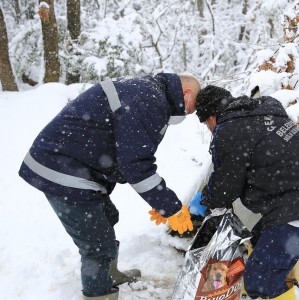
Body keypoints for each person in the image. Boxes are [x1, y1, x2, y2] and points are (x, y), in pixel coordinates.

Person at [19, 73, 200, 300]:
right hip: (62, 167)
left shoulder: (147, 90)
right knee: (97, 246)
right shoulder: (149, 99)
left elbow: (124, 152)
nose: (191, 112)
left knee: (107, 216)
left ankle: (108, 274)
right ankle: (99, 294)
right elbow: (135, 164)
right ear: (186, 93)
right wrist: (169, 206)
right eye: (193, 107)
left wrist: (160, 201)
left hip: (73, 162)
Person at [189, 85, 299, 300]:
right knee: (259, 240)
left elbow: (226, 189)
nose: (208, 128)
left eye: (205, 123)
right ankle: (253, 291)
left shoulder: (230, 130)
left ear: (211, 117)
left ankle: (260, 290)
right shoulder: (263, 108)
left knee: (262, 280)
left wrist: (205, 200)